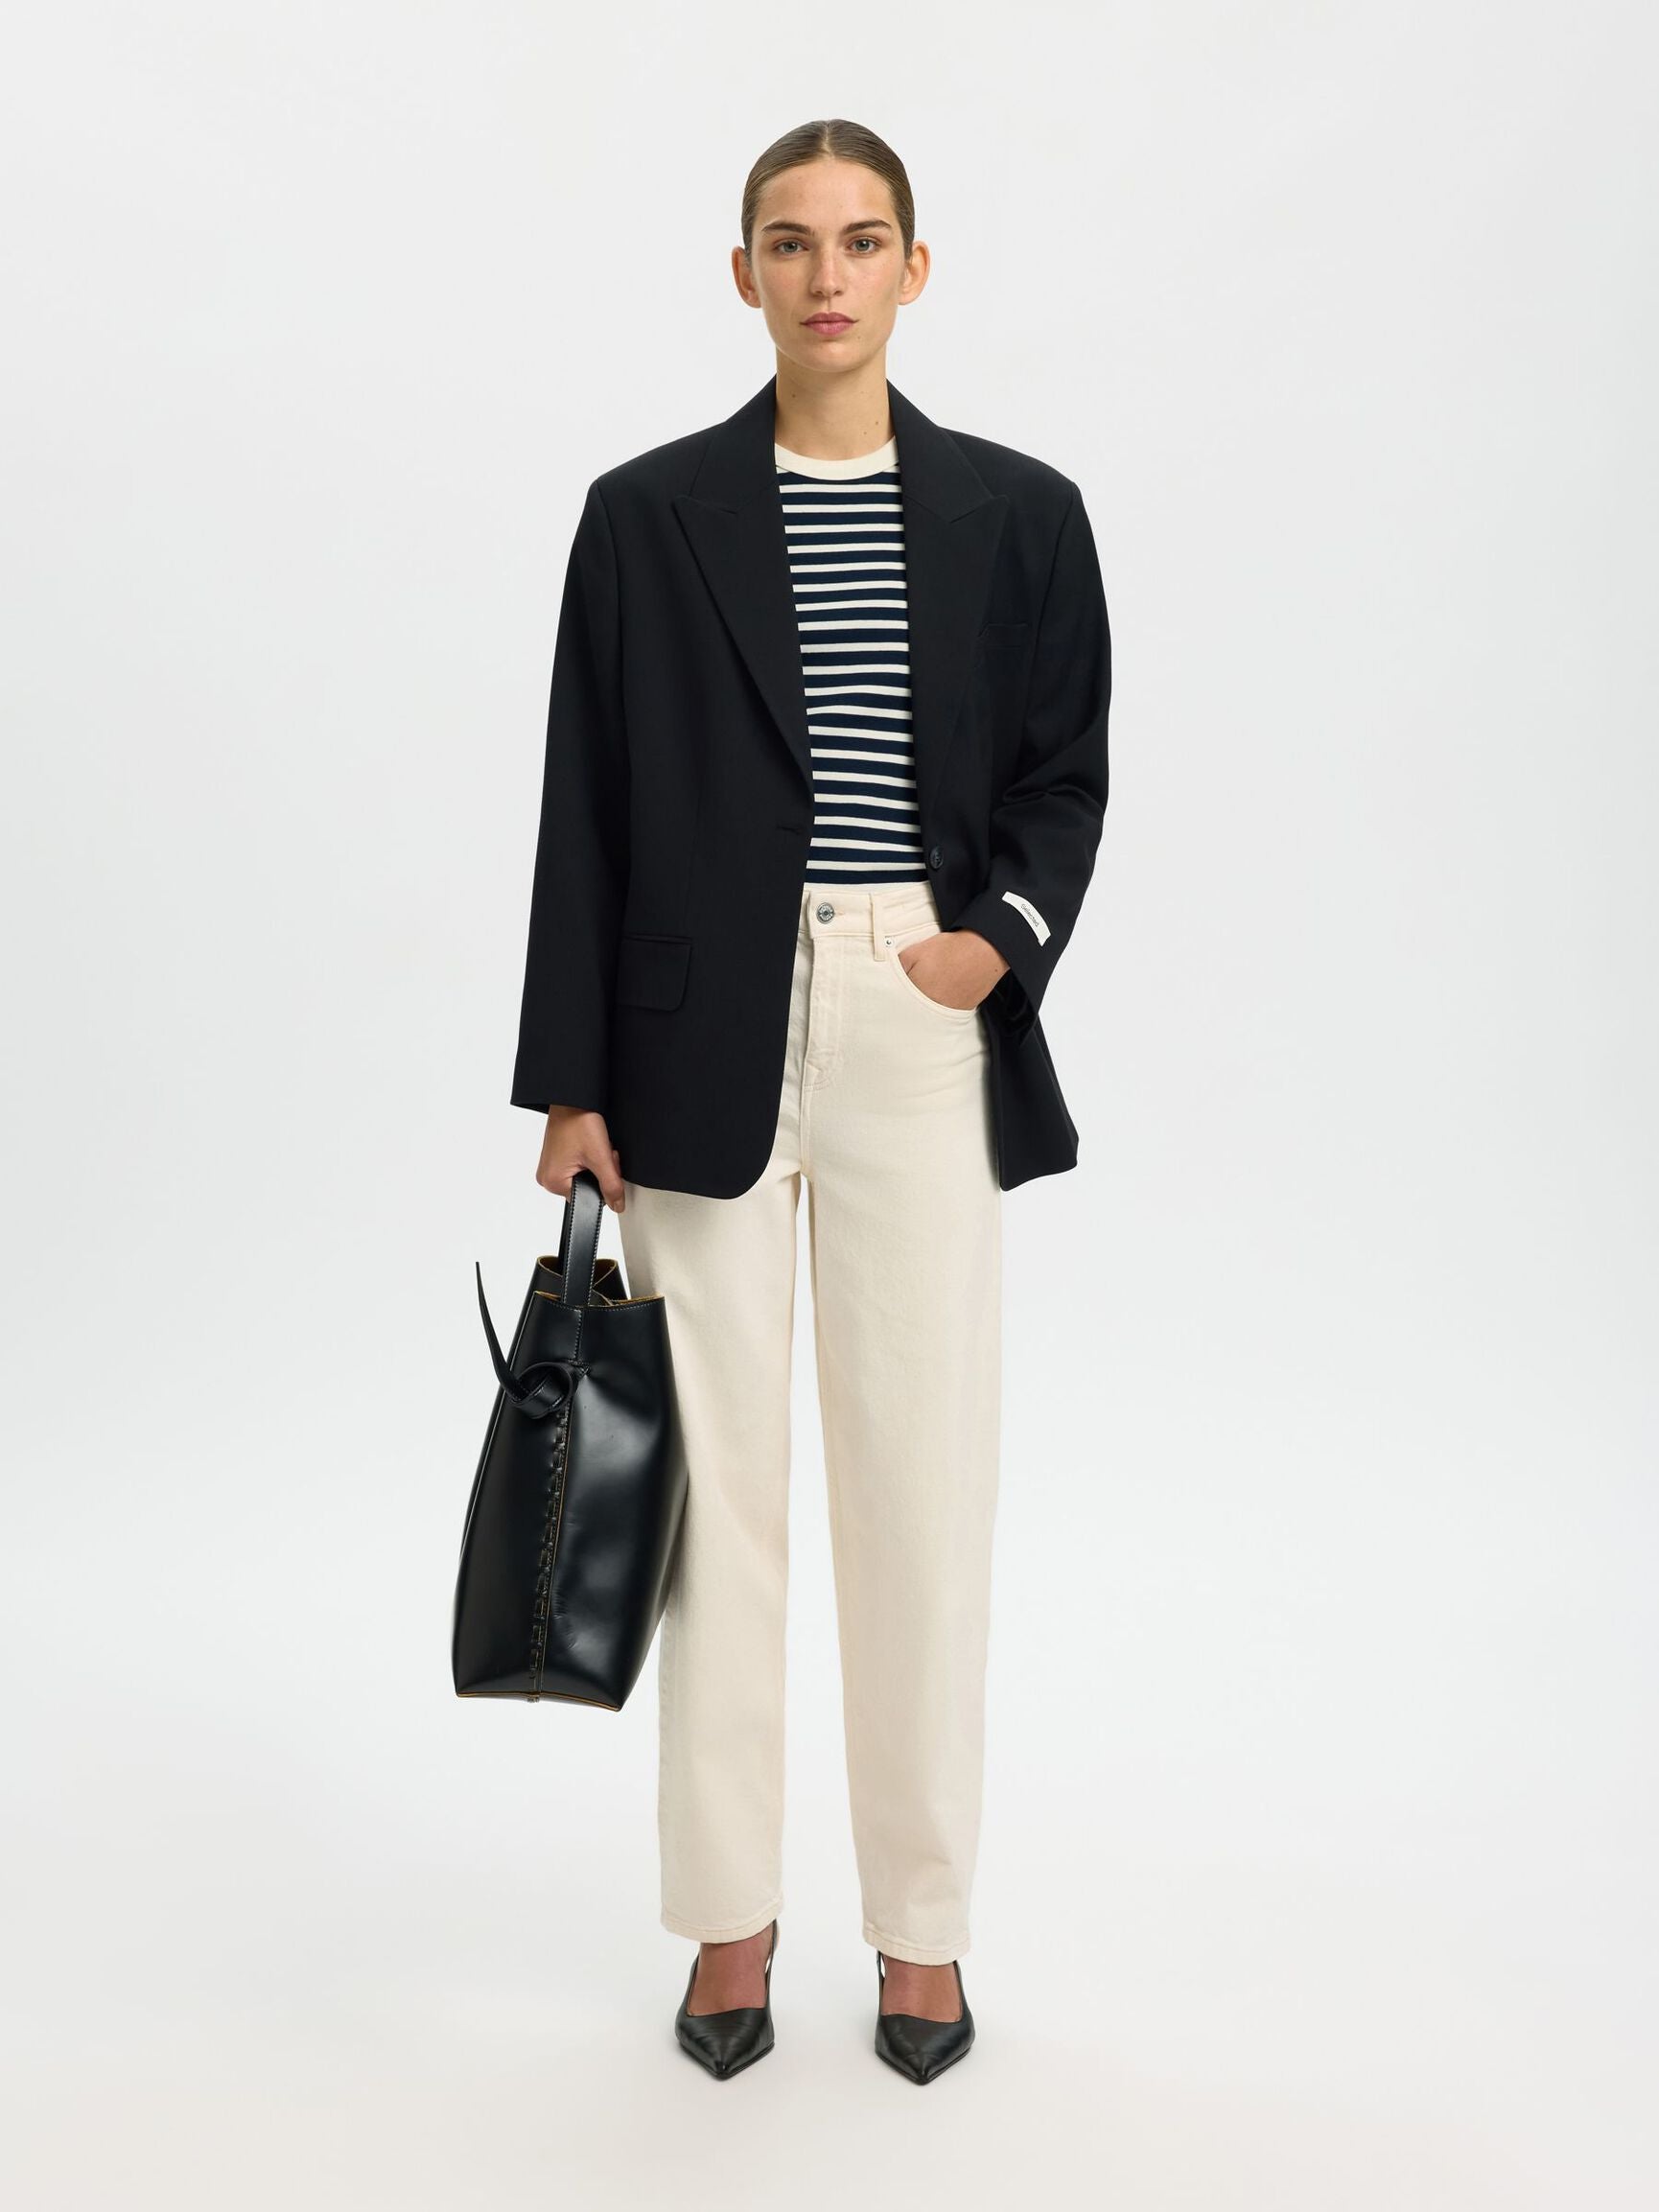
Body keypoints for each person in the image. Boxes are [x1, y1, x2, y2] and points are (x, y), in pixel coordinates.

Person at [510, 117, 1110, 2084]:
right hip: (691, 1034)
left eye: (861, 242)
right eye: (790, 242)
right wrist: (569, 1077)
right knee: (718, 1504)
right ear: (744, 272)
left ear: (913, 269)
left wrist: (990, 942)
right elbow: (586, 801)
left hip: (915, 1012)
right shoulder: (645, 513)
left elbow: (1063, 773)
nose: (825, 275)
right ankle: (729, 1918)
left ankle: (921, 1929)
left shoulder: (1022, 512)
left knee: (919, 1488)